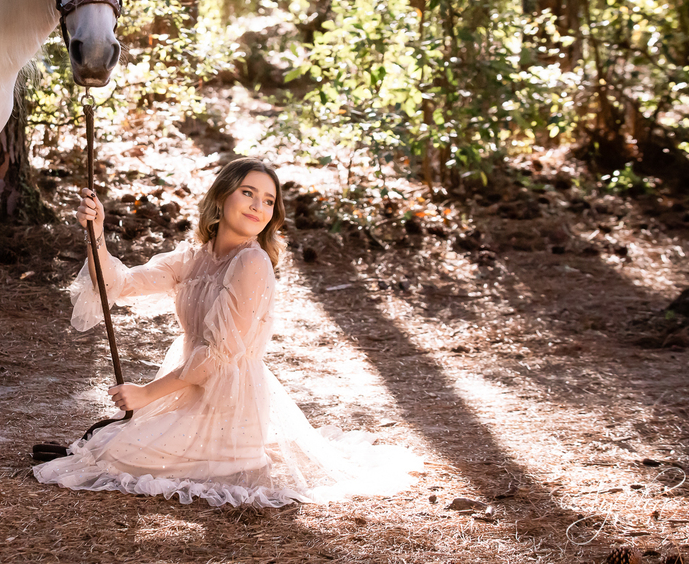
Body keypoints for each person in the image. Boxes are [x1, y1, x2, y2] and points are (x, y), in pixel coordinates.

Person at [33, 157, 424, 507]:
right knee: (110, 450)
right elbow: (116, 283)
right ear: (221, 198)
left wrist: (145, 394)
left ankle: (233, 454)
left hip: (226, 397)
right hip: (189, 383)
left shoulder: (252, 263)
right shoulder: (195, 257)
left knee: (119, 456)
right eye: (248, 193)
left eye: (269, 200)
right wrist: (96, 231)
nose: (258, 206)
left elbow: (218, 356)